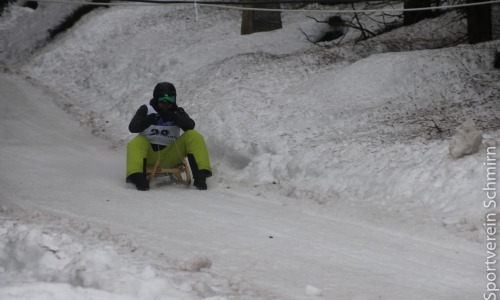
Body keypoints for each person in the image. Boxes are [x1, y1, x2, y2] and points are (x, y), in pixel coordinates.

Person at [126, 82, 212, 191]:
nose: (167, 103)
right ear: (156, 98)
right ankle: (137, 177)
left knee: (193, 135)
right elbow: (132, 128)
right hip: (149, 155)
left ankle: (200, 177)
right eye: (163, 99)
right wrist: (148, 120)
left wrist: (174, 117)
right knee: (137, 141)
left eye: (170, 99)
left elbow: (190, 125)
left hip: (171, 156)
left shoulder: (177, 111)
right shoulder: (146, 109)